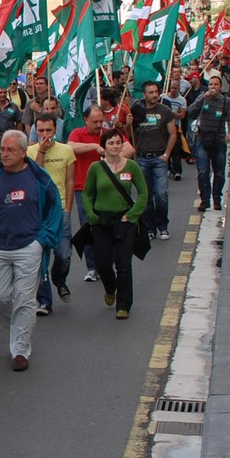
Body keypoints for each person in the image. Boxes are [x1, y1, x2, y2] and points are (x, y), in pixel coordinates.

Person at [0, 130, 65, 372]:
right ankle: (18, 331)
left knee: (25, 300)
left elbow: (54, 208)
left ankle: (20, 350)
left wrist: (42, 240)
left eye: (10, 150)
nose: (4, 154)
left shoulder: (39, 178)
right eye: (3, 149)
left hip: (29, 246)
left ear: (23, 152)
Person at [84, 127, 148, 320]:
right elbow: (87, 195)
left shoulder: (132, 167)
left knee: (124, 264)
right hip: (102, 221)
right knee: (102, 263)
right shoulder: (96, 168)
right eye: (110, 142)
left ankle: (124, 305)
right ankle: (110, 288)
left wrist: (131, 215)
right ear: (104, 146)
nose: (115, 146)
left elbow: (143, 194)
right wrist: (91, 215)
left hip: (124, 220)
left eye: (118, 142)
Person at [26, 115, 76, 315]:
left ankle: (60, 279)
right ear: (36, 131)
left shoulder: (66, 150)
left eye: (48, 130)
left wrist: (68, 208)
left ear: (55, 130)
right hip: (39, 211)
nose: (45, 134)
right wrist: (42, 151)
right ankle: (44, 300)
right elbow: (33, 176)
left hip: (61, 208)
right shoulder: (29, 152)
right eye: (41, 130)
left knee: (64, 254)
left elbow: (70, 181)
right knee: (39, 256)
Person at [130, 81, 177, 240]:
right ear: (144, 94)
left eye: (156, 91)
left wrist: (166, 155)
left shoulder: (165, 111)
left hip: (159, 158)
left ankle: (163, 226)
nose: (154, 95)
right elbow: (126, 133)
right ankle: (149, 228)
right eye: (150, 92)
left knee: (161, 193)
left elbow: (173, 134)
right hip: (142, 159)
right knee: (146, 195)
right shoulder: (136, 110)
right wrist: (127, 123)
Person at [67, 106, 107, 279]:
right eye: (94, 122)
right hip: (83, 189)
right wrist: (94, 146)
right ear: (86, 120)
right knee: (88, 226)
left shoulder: (108, 133)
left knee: (107, 226)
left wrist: (113, 151)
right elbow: (70, 147)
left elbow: (128, 148)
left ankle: (106, 264)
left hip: (107, 189)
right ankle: (92, 267)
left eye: (100, 121)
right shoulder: (77, 133)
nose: (99, 125)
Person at [191, 75, 230, 211]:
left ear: (220, 86)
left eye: (216, 84)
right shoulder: (203, 99)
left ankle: (217, 198)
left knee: (219, 172)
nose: (213, 87)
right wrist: (202, 98)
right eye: (210, 84)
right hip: (202, 140)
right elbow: (191, 112)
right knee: (203, 171)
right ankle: (205, 199)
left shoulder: (226, 102)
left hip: (219, 141)